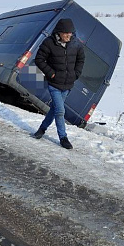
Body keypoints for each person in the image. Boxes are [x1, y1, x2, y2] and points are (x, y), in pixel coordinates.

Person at [31, 18, 85, 149]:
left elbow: (81, 59)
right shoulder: (49, 43)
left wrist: (76, 74)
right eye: (66, 33)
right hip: (54, 83)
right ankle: (63, 138)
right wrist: (51, 73)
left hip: (68, 84)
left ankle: (42, 129)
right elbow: (39, 59)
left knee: (55, 109)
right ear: (59, 32)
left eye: (71, 33)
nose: (69, 35)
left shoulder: (75, 44)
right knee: (60, 110)